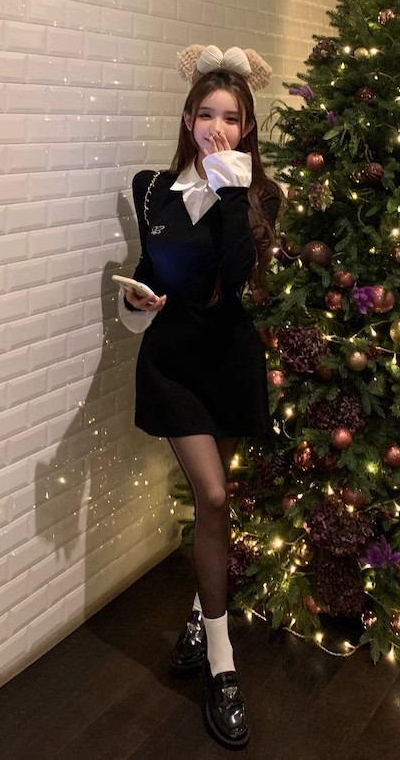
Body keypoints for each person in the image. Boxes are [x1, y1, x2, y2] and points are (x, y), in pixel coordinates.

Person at [119, 44, 281, 749]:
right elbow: (150, 268)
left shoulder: (258, 195)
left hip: (230, 362)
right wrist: (136, 299)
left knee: (220, 500)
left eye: (232, 118)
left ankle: (198, 614)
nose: (219, 127)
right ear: (188, 120)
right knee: (212, 497)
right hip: (173, 363)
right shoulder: (151, 188)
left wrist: (232, 189)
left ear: (247, 129)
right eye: (207, 114)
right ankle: (223, 664)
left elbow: (239, 277)